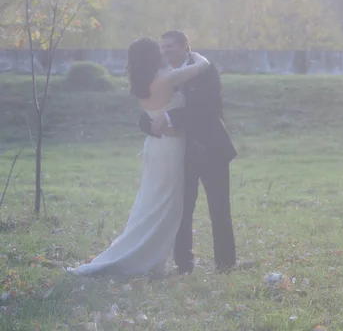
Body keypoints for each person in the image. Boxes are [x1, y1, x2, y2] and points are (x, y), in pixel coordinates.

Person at [67, 37, 210, 277]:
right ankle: (144, 259)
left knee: (152, 203)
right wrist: (193, 53)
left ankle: (151, 258)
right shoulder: (166, 78)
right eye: (159, 49)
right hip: (171, 148)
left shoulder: (143, 81)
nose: (163, 52)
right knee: (165, 206)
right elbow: (203, 66)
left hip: (155, 146)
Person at [138, 30, 238, 275]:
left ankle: (225, 264)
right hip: (180, 153)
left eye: (170, 46)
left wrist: (170, 116)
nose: (165, 51)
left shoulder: (205, 71)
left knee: (219, 209)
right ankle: (184, 264)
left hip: (211, 149)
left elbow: (205, 108)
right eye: (162, 47)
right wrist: (149, 125)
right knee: (182, 209)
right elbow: (149, 108)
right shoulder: (161, 74)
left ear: (185, 47)